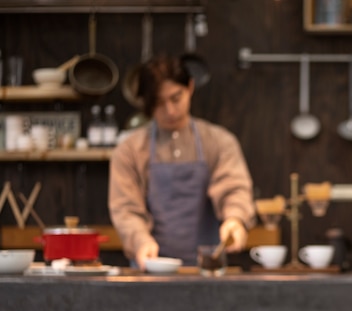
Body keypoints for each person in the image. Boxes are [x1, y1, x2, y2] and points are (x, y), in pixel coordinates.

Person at [108, 54, 256, 269]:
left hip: (208, 268)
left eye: (176, 98)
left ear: (190, 87)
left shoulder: (219, 141)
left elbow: (234, 188)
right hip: (151, 269)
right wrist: (140, 240)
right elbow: (126, 209)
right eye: (159, 103)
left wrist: (235, 219)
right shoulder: (130, 150)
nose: (170, 111)